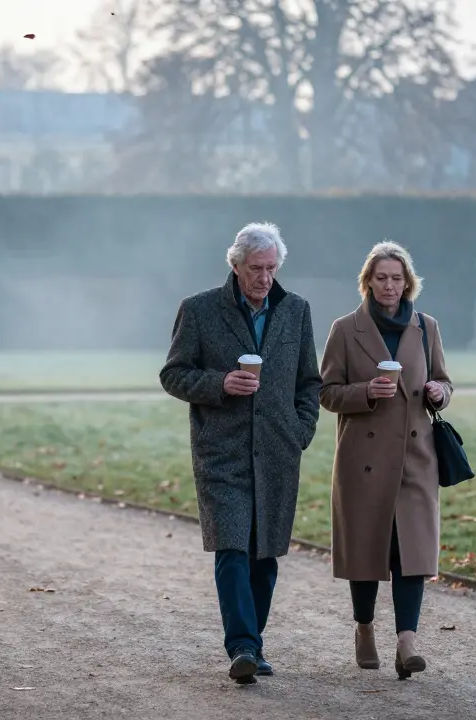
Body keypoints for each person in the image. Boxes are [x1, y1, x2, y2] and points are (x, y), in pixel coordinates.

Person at [159, 222, 322, 684]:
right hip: (221, 454)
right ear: (235, 265)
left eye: (271, 269)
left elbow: (309, 382)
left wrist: (299, 431)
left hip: (277, 451)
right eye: (256, 268)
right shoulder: (199, 310)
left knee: (264, 554)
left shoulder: (296, 312)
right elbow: (173, 374)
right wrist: (220, 383)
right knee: (232, 547)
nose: (264, 278)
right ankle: (244, 647)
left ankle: (253, 642)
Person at [317, 240, 454, 680]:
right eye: (382, 278)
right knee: (367, 547)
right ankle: (364, 629)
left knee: (410, 549)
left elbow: (444, 382)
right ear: (368, 282)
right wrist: (364, 393)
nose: (390, 285)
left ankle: (407, 640)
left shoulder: (426, 326)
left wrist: (439, 393)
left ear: (407, 281)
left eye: (397, 278)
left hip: (416, 456)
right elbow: (325, 392)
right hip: (363, 459)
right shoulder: (344, 329)